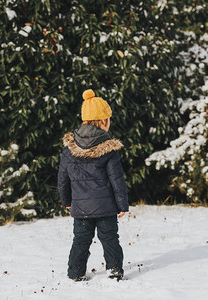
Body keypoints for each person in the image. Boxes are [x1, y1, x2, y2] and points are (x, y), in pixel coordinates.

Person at [57, 89, 129, 282]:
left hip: (80, 208)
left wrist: (66, 201)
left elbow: (63, 178)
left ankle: (75, 272)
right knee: (110, 239)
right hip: (106, 208)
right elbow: (117, 179)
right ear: (104, 121)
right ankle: (114, 270)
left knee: (80, 240)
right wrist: (122, 204)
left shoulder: (69, 148)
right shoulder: (109, 148)